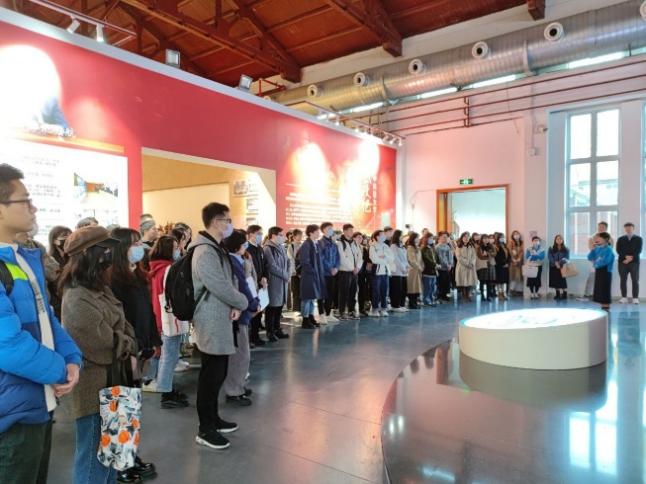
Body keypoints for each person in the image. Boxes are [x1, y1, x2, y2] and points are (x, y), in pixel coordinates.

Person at [0, 164, 82, 484]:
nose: (33, 208)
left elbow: (46, 317)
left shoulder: (21, 259)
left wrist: (71, 359)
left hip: (37, 404)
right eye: (25, 200)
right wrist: (61, 370)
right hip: (12, 416)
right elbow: (8, 345)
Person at [59, 226, 135, 484]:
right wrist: (125, 341)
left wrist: (123, 338)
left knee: (115, 456)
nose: (111, 255)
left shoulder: (98, 288)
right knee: (93, 461)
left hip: (115, 382)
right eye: (105, 249)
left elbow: (123, 326)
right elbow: (102, 345)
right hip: (95, 390)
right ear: (89, 254)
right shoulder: (76, 296)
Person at [190, 203, 248, 450]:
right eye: (227, 220)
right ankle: (205, 428)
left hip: (220, 316)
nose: (230, 225)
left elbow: (228, 281)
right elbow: (218, 284)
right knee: (211, 375)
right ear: (215, 221)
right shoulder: (205, 251)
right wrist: (242, 301)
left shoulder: (215, 247)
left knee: (218, 371)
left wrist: (235, 304)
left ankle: (213, 418)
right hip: (210, 319)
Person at [108, 228, 160, 481]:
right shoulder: (111, 280)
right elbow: (117, 322)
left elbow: (146, 311)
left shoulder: (138, 275)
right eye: (134, 244)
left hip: (140, 345)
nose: (140, 248)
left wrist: (152, 341)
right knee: (120, 405)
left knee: (132, 405)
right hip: (122, 351)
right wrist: (129, 349)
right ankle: (121, 463)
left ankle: (130, 455)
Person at [148, 235, 190, 409]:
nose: (178, 250)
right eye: (175, 247)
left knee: (165, 354)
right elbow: (169, 297)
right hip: (168, 317)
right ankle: (166, 392)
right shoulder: (167, 269)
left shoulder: (155, 268)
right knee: (169, 355)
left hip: (159, 316)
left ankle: (165, 387)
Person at [223, 230, 259, 406]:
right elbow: (242, 287)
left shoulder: (236, 260)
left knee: (241, 353)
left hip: (242, 311)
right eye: (244, 242)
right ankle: (234, 391)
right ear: (238, 246)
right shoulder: (233, 263)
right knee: (240, 355)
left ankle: (238, 385)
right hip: (239, 313)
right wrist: (253, 304)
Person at [263, 226, 290, 341]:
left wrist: (288, 273)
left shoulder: (281, 247)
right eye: (281, 235)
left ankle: (277, 329)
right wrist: (285, 275)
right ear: (273, 235)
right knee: (272, 307)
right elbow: (272, 266)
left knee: (279, 307)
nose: (283, 237)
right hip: (274, 281)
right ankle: (270, 332)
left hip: (283, 281)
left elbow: (288, 261)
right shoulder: (268, 248)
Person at [299, 224, 326, 329]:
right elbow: (304, 262)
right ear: (310, 233)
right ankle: (305, 320)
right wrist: (313, 272)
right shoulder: (306, 245)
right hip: (308, 275)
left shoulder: (316, 244)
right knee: (306, 298)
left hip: (315, 275)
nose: (319, 234)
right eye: (317, 232)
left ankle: (311, 317)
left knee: (312, 298)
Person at [246, 225, 268, 347]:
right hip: (251, 285)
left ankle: (256, 336)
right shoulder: (247, 249)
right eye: (258, 233)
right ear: (250, 234)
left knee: (259, 311)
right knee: (251, 312)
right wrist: (258, 280)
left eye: (261, 233)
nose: (260, 236)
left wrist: (264, 277)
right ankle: (249, 338)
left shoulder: (260, 249)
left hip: (261, 285)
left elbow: (265, 265)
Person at [579, 221, 611, 301]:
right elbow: (592, 248)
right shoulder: (592, 237)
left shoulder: (609, 238)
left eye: (603, 227)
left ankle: (601, 296)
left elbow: (610, 250)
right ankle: (586, 295)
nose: (601, 228)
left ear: (606, 228)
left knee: (603, 279)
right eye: (599, 227)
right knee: (591, 277)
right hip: (594, 261)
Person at [337, 224, 362, 320]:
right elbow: (342, 258)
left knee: (353, 292)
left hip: (354, 272)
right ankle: (342, 312)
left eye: (352, 230)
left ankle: (352, 311)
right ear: (345, 231)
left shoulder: (354, 243)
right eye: (350, 230)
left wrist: (358, 267)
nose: (352, 232)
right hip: (345, 271)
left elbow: (360, 256)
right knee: (343, 292)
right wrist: (353, 268)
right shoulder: (340, 243)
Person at [47, 225, 72, 319]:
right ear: (54, 241)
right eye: (64, 236)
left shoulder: (73, 257)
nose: (68, 239)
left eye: (70, 236)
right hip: (58, 306)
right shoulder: (50, 261)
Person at [317, 222, 340, 324]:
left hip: (333, 273)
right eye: (329, 228)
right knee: (322, 294)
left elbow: (338, 257)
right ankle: (321, 314)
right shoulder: (320, 243)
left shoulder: (334, 244)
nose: (331, 230)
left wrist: (336, 268)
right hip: (323, 273)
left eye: (332, 228)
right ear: (323, 230)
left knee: (331, 293)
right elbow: (321, 258)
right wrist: (330, 268)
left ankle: (328, 313)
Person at [368, 230, 394, 317]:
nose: (384, 236)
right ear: (377, 237)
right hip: (377, 271)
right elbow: (374, 259)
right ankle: (375, 309)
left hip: (385, 271)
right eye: (382, 235)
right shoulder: (373, 246)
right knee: (376, 291)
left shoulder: (385, 246)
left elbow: (392, 258)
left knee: (384, 291)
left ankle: (383, 308)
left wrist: (384, 256)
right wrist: (385, 260)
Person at [616, 222, 642, 304]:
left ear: (633, 228)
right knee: (623, 280)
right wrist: (626, 257)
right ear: (625, 229)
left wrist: (630, 258)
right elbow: (618, 250)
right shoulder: (620, 239)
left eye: (630, 228)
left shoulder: (639, 239)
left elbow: (638, 250)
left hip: (634, 262)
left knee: (635, 280)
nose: (628, 229)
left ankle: (635, 298)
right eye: (626, 228)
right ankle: (624, 297)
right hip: (622, 262)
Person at [588, 232, 614, 311]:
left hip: (606, 271)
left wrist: (596, 263)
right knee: (599, 288)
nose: (597, 239)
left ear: (605, 239)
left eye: (599, 237)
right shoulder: (597, 248)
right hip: (599, 270)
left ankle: (606, 306)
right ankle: (603, 306)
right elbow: (590, 257)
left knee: (605, 288)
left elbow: (606, 261)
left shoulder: (609, 249)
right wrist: (592, 249)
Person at [389, 230, 409, 312]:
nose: (402, 237)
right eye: (401, 235)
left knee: (403, 289)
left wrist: (407, 266)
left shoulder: (402, 246)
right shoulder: (393, 246)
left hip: (404, 272)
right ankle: (395, 305)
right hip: (397, 271)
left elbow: (405, 258)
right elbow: (395, 259)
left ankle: (401, 304)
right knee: (397, 289)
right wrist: (403, 268)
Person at [455, 231, 477, 302]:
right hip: (462, 266)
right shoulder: (459, 246)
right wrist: (467, 263)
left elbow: (474, 256)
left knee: (469, 281)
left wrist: (472, 263)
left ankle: (468, 295)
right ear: (462, 238)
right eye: (464, 237)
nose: (466, 238)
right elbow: (459, 257)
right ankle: (464, 295)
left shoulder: (471, 246)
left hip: (471, 267)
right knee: (463, 281)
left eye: (468, 236)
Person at [287, 228, 303, 315]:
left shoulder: (303, 245)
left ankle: (302, 309)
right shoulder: (291, 246)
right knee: (296, 291)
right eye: (299, 235)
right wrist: (295, 272)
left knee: (302, 291)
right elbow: (291, 260)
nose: (300, 237)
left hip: (303, 273)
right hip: (295, 273)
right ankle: (296, 310)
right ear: (294, 236)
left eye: (301, 235)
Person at [548, 235, 570, 300]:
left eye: (560, 239)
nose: (559, 240)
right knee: (555, 281)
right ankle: (557, 294)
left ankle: (564, 294)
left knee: (562, 281)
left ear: (562, 240)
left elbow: (567, 258)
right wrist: (555, 263)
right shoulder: (551, 248)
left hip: (562, 267)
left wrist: (559, 263)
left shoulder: (566, 249)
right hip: (553, 266)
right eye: (557, 239)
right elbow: (550, 257)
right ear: (555, 240)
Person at [406, 232, 424, 309]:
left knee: (417, 288)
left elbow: (420, 259)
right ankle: (412, 303)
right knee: (412, 288)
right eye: (417, 238)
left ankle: (415, 302)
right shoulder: (410, 248)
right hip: (413, 270)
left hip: (418, 270)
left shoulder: (417, 247)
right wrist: (419, 267)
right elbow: (411, 260)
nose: (418, 239)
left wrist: (422, 266)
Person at [420, 233, 438, 307]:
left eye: (432, 238)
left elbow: (436, 257)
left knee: (433, 287)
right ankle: (426, 301)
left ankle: (431, 299)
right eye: (430, 238)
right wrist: (434, 265)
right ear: (426, 239)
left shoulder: (432, 248)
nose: (431, 240)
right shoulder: (424, 249)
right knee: (427, 287)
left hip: (434, 271)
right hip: (427, 270)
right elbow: (426, 259)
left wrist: (438, 264)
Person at [435, 233, 453, 302]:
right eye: (443, 237)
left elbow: (450, 256)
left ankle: (445, 295)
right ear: (439, 238)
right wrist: (446, 264)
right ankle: (440, 295)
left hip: (447, 267)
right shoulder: (437, 247)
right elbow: (440, 258)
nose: (445, 238)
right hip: (440, 267)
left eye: (446, 237)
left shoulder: (447, 246)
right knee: (440, 282)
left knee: (446, 282)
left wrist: (450, 264)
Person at [357, 233, 371, 317]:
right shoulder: (352, 247)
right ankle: (348, 309)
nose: (360, 239)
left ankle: (362, 309)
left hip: (363, 274)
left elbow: (368, 260)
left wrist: (367, 271)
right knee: (351, 291)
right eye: (358, 237)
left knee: (362, 290)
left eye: (361, 238)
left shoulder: (364, 248)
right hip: (353, 272)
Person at [494, 232, 510, 300]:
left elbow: (509, 255)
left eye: (503, 237)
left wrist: (507, 263)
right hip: (499, 266)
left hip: (506, 266)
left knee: (504, 281)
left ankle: (504, 293)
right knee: (499, 281)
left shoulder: (505, 246)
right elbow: (497, 257)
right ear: (498, 238)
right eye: (501, 237)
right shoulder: (496, 246)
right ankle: (499, 293)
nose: (502, 238)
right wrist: (503, 264)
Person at [476, 234, 492, 302]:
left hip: (489, 265)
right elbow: (480, 256)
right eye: (484, 238)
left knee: (489, 282)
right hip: (482, 266)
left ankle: (488, 296)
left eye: (487, 238)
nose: (486, 240)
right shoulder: (479, 247)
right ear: (482, 239)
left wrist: (487, 254)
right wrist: (487, 255)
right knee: (482, 281)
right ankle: (482, 295)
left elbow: (493, 254)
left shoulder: (490, 246)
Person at [509, 230, 524, 296]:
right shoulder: (511, 243)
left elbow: (522, 251)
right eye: (515, 234)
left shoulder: (522, 243)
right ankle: (512, 290)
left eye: (517, 234)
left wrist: (519, 259)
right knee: (514, 277)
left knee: (520, 277)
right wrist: (513, 259)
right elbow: (510, 251)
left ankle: (520, 290)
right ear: (512, 236)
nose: (516, 235)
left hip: (520, 262)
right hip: (513, 263)